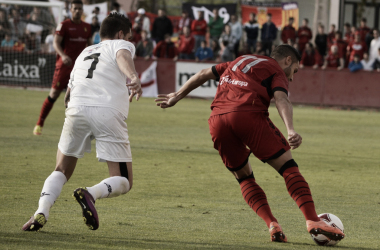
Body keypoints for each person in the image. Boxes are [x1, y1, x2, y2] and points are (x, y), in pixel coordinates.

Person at [155, 44, 345, 243]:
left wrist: (177, 96)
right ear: (288, 60)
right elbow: (281, 99)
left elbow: (203, 73)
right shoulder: (276, 70)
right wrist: (290, 129)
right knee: (288, 167)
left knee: (244, 177)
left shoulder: (239, 60)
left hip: (217, 120)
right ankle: (313, 220)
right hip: (248, 115)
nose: (291, 77)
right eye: (294, 70)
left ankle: (272, 224)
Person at [22, 12, 142, 232]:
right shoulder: (121, 44)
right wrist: (133, 77)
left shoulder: (85, 52)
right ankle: (90, 193)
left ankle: (41, 211)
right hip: (107, 111)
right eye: (129, 36)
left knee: (61, 170)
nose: (129, 40)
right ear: (121, 33)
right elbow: (123, 55)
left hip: (76, 109)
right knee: (124, 180)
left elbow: (68, 94)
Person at [33, 0, 92, 136]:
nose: (77, 11)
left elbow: (89, 47)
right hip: (64, 67)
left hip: (79, 69)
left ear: (82, 11)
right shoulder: (64, 25)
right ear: (70, 10)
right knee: (54, 94)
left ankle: (78, 129)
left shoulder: (87, 27)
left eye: (79, 9)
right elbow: (55, 43)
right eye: (75, 8)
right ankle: (39, 123)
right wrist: (63, 55)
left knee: (81, 98)